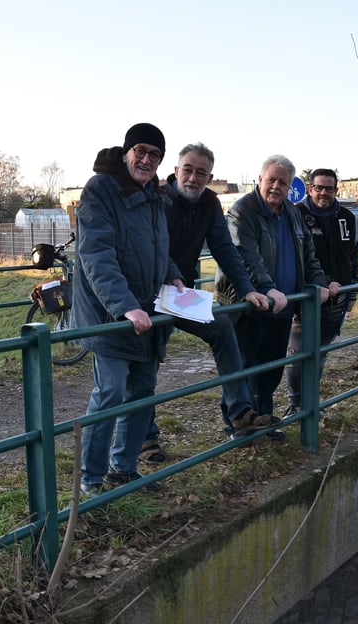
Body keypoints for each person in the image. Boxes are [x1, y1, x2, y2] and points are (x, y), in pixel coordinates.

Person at [136, 143, 276, 463]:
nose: (193, 178)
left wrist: (246, 289)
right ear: (176, 171)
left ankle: (240, 412)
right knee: (146, 361)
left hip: (179, 295)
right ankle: (144, 438)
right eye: (188, 170)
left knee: (222, 327)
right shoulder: (157, 199)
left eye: (201, 173)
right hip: (147, 293)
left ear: (209, 178)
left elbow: (224, 248)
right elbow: (152, 250)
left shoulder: (210, 202)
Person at [72, 123, 185, 497]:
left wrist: (173, 274)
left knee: (143, 390)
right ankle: (90, 479)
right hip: (111, 316)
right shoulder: (100, 190)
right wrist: (125, 307)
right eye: (141, 151)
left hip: (147, 313)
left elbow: (157, 247)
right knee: (111, 391)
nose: (147, 160)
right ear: (126, 153)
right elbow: (97, 254)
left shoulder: (154, 195)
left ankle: (123, 469)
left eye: (155, 155)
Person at [216, 155, 332, 438]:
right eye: (271, 180)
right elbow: (245, 257)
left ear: (290, 186)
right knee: (243, 368)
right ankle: (236, 427)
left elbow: (308, 254)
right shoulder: (243, 211)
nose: (276, 186)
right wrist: (267, 288)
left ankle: (263, 421)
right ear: (260, 179)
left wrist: (319, 283)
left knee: (270, 371)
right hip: (248, 305)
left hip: (282, 307)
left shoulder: (292, 213)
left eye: (283, 182)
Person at [285, 169, 358, 417]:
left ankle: (310, 403)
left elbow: (353, 255)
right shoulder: (295, 214)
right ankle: (295, 405)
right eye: (319, 188)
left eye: (329, 188)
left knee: (320, 351)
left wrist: (353, 290)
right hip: (305, 296)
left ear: (336, 190)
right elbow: (294, 256)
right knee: (297, 352)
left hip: (338, 297)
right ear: (310, 189)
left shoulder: (346, 217)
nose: (324, 193)